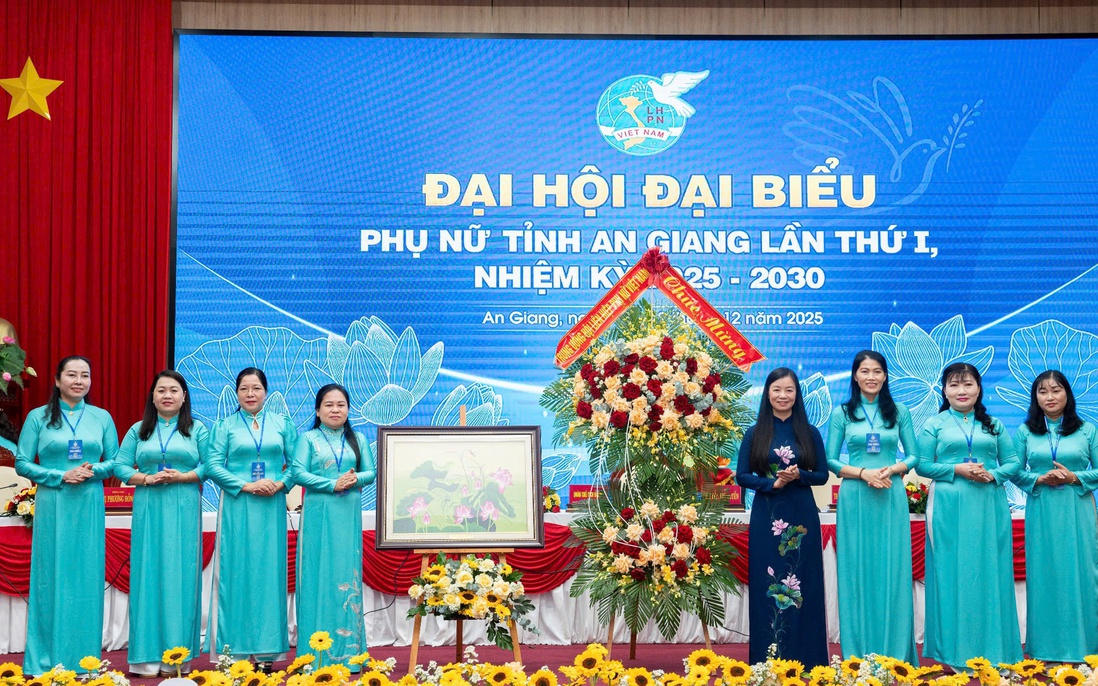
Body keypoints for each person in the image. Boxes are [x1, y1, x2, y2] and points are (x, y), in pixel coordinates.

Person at [15, 356, 118, 674]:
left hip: (88, 503)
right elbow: (22, 462)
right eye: (71, 375)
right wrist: (61, 475)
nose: (78, 380)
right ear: (57, 380)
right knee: (50, 576)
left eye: (85, 375)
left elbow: (115, 461)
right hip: (53, 503)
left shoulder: (101, 417)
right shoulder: (38, 417)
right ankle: (44, 661)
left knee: (86, 577)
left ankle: (84, 661)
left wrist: (91, 471)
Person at [916, 362, 1022, 670]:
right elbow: (922, 465)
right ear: (944, 390)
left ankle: (994, 648)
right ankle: (952, 652)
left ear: (978, 389)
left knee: (990, 571)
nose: (961, 391)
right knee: (951, 572)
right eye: (954, 385)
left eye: (968, 384)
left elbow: (1013, 462)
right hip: (948, 506)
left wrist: (993, 475)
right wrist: (956, 469)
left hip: (989, 504)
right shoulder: (935, 424)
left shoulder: (993, 425)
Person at [824, 350, 918, 662]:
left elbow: (914, 456)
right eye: (865, 371)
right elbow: (830, 460)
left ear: (886, 375)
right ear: (855, 376)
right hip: (856, 495)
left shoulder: (899, 411)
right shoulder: (842, 413)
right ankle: (858, 652)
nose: (871, 377)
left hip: (890, 493)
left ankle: (895, 650)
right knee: (856, 570)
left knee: (893, 569)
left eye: (877, 371)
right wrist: (863, 473)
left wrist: (892, 469)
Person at [114, 371, 208, 676]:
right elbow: (120, 465)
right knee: (148, 573)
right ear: (152, 397)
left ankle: (176, 658)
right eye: (161, 390)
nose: (167, 395)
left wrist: (185, 476)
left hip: (184, 504)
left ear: (184, 396)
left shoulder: (197, 429)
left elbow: (211, 465)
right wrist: (145, 478)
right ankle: (145, 658)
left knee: (181, 575)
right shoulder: (138, 430)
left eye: (174, 390)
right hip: (148, 506)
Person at [736, 367, 829, 667]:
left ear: (797, 394)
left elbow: (822, 475)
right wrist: (772, 484)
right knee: (768, 584)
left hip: (802, 515)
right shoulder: (755, 433)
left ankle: (809, 660)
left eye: (789, 390)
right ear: (767, 394)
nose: (783, 395)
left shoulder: (809, 432)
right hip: (768, 516)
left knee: (805, 583)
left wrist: (799, 475)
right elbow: (742, 476)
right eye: (777, 390)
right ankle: (768, 661)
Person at [205, 367, 298, 667]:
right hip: (237, 504)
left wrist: (280, 484)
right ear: (236, 393)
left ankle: (268, 653)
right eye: (244, 388)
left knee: (269, 574)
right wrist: (245, 485)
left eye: (256, 388)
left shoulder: (282, 423)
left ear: (266, 392)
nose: (250, 394)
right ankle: (234, 652)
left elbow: (297, 464)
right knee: (235, 573)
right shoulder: (224, 426)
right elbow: (213, 465)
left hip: (271, 504)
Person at [1011, 370, 1098, 662]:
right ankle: (1045, 649)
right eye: (1043, 391)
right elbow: (1013, 470)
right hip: (1042, 509)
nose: (1049, 397)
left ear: (1067, 394)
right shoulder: (1026, 432)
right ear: (1035, 397)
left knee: (1081, 573)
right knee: (1044, 574)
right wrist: (1037, 479)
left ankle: (1085, 648)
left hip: (1077, 509)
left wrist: (1075, 477)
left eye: (1056, 390)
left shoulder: (1087, 430)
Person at [292, 384, 377, 665]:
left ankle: (349, 654)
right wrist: (332, 484)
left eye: (341, 405)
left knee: (344, 572)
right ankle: (314, 657)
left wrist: (354, 479)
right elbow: (298, 473)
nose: (335, 410)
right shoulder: (307, 438)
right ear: (317, 410)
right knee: (317, 574)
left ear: (348, 409)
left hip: (347, 511)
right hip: (318, 511)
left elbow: (370, 472)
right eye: (328, 405)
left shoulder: (358, 439)